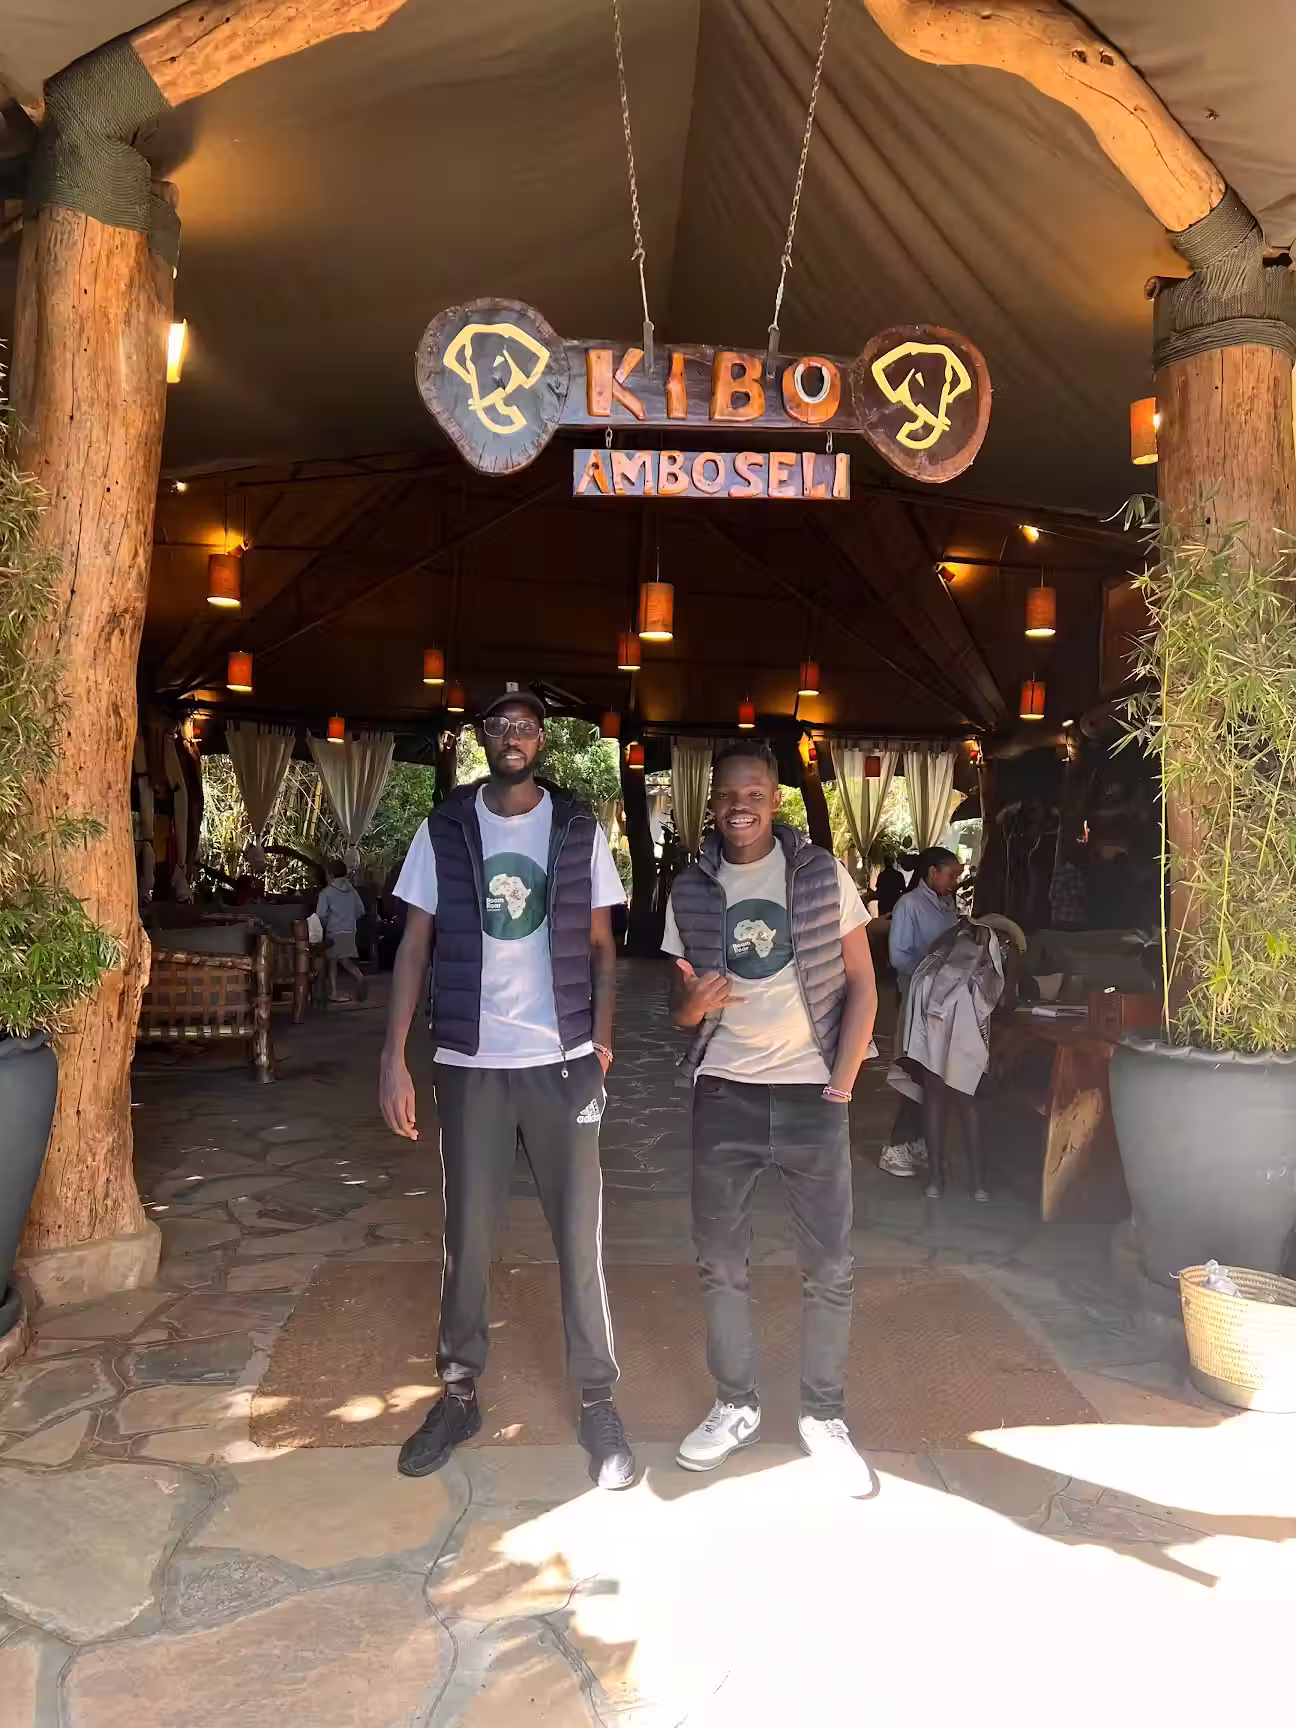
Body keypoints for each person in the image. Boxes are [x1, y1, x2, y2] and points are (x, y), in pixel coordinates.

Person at [380, 684, 634, 1490]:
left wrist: (601, 1042)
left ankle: (597, 1400)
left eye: (525, 726)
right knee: (469, 1236)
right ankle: (459, 1392)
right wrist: (395, 1057)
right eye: (500, 725)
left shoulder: (577, 828)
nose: (513, 736)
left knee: (578, 1237)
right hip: (469, 1061)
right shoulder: (446, 825)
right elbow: (415, 943)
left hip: (560, 1061)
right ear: (485, 738)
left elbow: (601, 945)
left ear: (543, 741)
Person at [663, 739, 880, 1495]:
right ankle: (736, 1405)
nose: (739, 806)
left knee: (828, 1267)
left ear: (776, 801)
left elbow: (863, 983)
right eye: (727, 795)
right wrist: (691, 1006)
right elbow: (678, 1004)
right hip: (723, 1091)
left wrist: (845, 1081)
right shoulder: (690, 888)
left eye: (754, 793)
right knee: (721, 1262)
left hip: (812, 1094)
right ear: (712, 803)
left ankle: (823, 1416)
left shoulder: (822, 875)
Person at [877, 847, 962, 1178]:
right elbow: (898, 957)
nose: (955, 881)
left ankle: (918, 1142)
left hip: (943, 1000)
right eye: (951, 875)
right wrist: (931, 973)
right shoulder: (909, 905)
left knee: (936, 1078)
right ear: (931, 873)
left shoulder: (946, 905)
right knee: (917, 1073)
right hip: (916, 998)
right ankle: (897, 1144)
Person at [317, 858, 368, 1002]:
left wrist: (327, 923)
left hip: (334, 931)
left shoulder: (326, 893)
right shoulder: (352, 891)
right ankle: (355, 979)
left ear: (330, 875)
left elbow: (321, 914)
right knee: (342, 960)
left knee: (335, 961)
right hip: (350, 930)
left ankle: (338, 990)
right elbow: (361, 910)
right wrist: (349, 920)